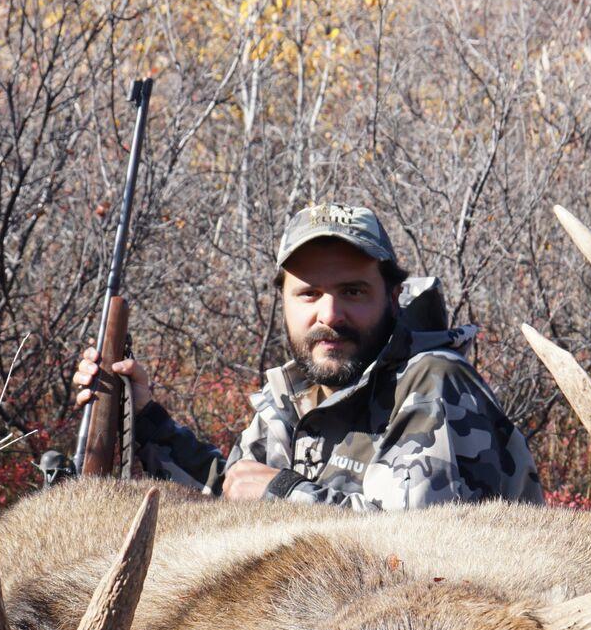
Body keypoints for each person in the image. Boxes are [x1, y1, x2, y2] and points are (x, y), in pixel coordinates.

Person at [71, 203, 542, 509]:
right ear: (283, 299)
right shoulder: (299, 392)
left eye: (353, 291)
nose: (329, 314)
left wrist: (282, 491)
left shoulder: (434, 382)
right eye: (309, 293)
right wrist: (144, 413)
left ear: (393, 296)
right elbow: (232, 487)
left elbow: (409, 545)